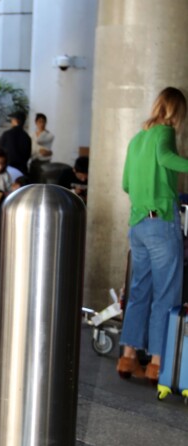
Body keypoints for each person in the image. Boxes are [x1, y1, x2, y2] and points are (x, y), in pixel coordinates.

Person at [117, 87, 188, 382]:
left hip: (138, 224)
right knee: (166, 294)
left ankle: (128, 357)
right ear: (176, 111)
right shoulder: (165, 133)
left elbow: (125, 183)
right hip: (161, 221)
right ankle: (157, 362)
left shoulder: (136, 139)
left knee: (139, 292)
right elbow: (167, 158)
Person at [0, 109, 31, 175]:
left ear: (16, 121)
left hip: (7, 171)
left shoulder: (7, 134)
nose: (11, 121)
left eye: (12, 119)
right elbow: (28, 156)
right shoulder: (27, 137)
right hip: (22, 171)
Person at [29, 112, 54, 182]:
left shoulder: (49, 135)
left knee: (42, 181)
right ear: (36, 122)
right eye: (40, 122)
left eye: (43, 122)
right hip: (34, 161)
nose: (42, 124)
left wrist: (48, 152)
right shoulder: (31, 135)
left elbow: (39, 141)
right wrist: (39, 151)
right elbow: (34, 149)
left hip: (44, 162)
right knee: (33, 181)